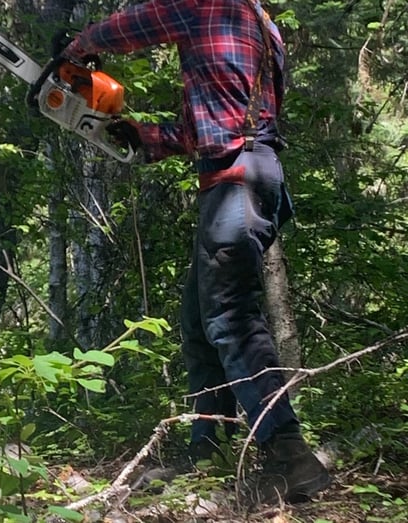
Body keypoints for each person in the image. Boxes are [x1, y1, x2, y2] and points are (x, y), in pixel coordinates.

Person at [61, 0, 331, 503]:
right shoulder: (262, 23)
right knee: (200, 323)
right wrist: (141, 137)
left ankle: (292, 455)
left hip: (235, 183)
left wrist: (77, 49)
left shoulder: (207, 4)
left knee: (231, 319)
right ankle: (208, 455)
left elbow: (135, 24)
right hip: (253, 175)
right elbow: (209, 129)